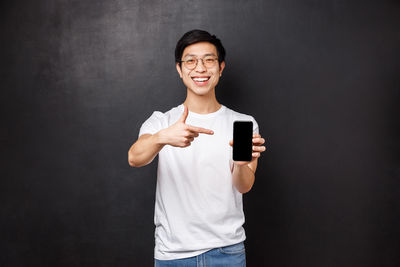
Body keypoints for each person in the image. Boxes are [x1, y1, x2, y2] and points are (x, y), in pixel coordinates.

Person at [128, 29, 266, 267]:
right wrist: (162, 138)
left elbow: (243, 186)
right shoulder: (161, 121)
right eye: (191, 61)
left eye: (209, 60)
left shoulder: (243, 124)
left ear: (220, 68)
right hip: (173, 254)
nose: (200, 68)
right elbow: (135, 157)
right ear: (179, 69)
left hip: (227, 252)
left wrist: (241, 164)